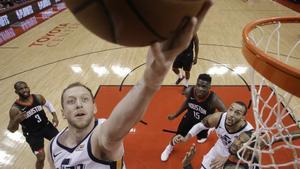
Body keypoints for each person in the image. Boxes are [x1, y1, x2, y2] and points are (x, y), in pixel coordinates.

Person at [47, 3, 214, 167]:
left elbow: (117, 128)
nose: (78, 104)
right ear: (62, 113)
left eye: (84, 99)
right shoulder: (53, 147)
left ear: (94, 107)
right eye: (71, 101)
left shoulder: (103, 136)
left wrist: (151, 81)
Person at [161, 73, 226, 161]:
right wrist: (175, 115)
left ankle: (208, 131)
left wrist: (214, 122)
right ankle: (169, 147)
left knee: (201, 139)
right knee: (178, 136)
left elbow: (225, 114)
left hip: (203, 124)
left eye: (204, 86)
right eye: (198, 85)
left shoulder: (213, 100)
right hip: (189, 119)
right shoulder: (189, 91)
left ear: (209, 87)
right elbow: (186, 104)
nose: (200, 88)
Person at [174, 101, 254, 169]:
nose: (231, 114)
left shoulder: (249, 133)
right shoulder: (218, 118)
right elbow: (199, 126)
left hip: (235, 157)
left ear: (243, 117)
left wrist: (228, 158)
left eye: (237, 113)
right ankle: (212, 129)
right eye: (230, 109)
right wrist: (185, 138)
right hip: (220, 147)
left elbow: (248, 156)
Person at [7, 81, 59, 169]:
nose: (24, 90)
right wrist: (16, 120)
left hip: (46, 126)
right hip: (33, 134)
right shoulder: (15, 109)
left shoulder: (38, 97)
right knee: (41, 158)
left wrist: (54, 116)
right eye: (21, 89)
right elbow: (11, 129)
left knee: (61, 144)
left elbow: (48, 104)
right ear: (16, 92)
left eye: (25, 87)